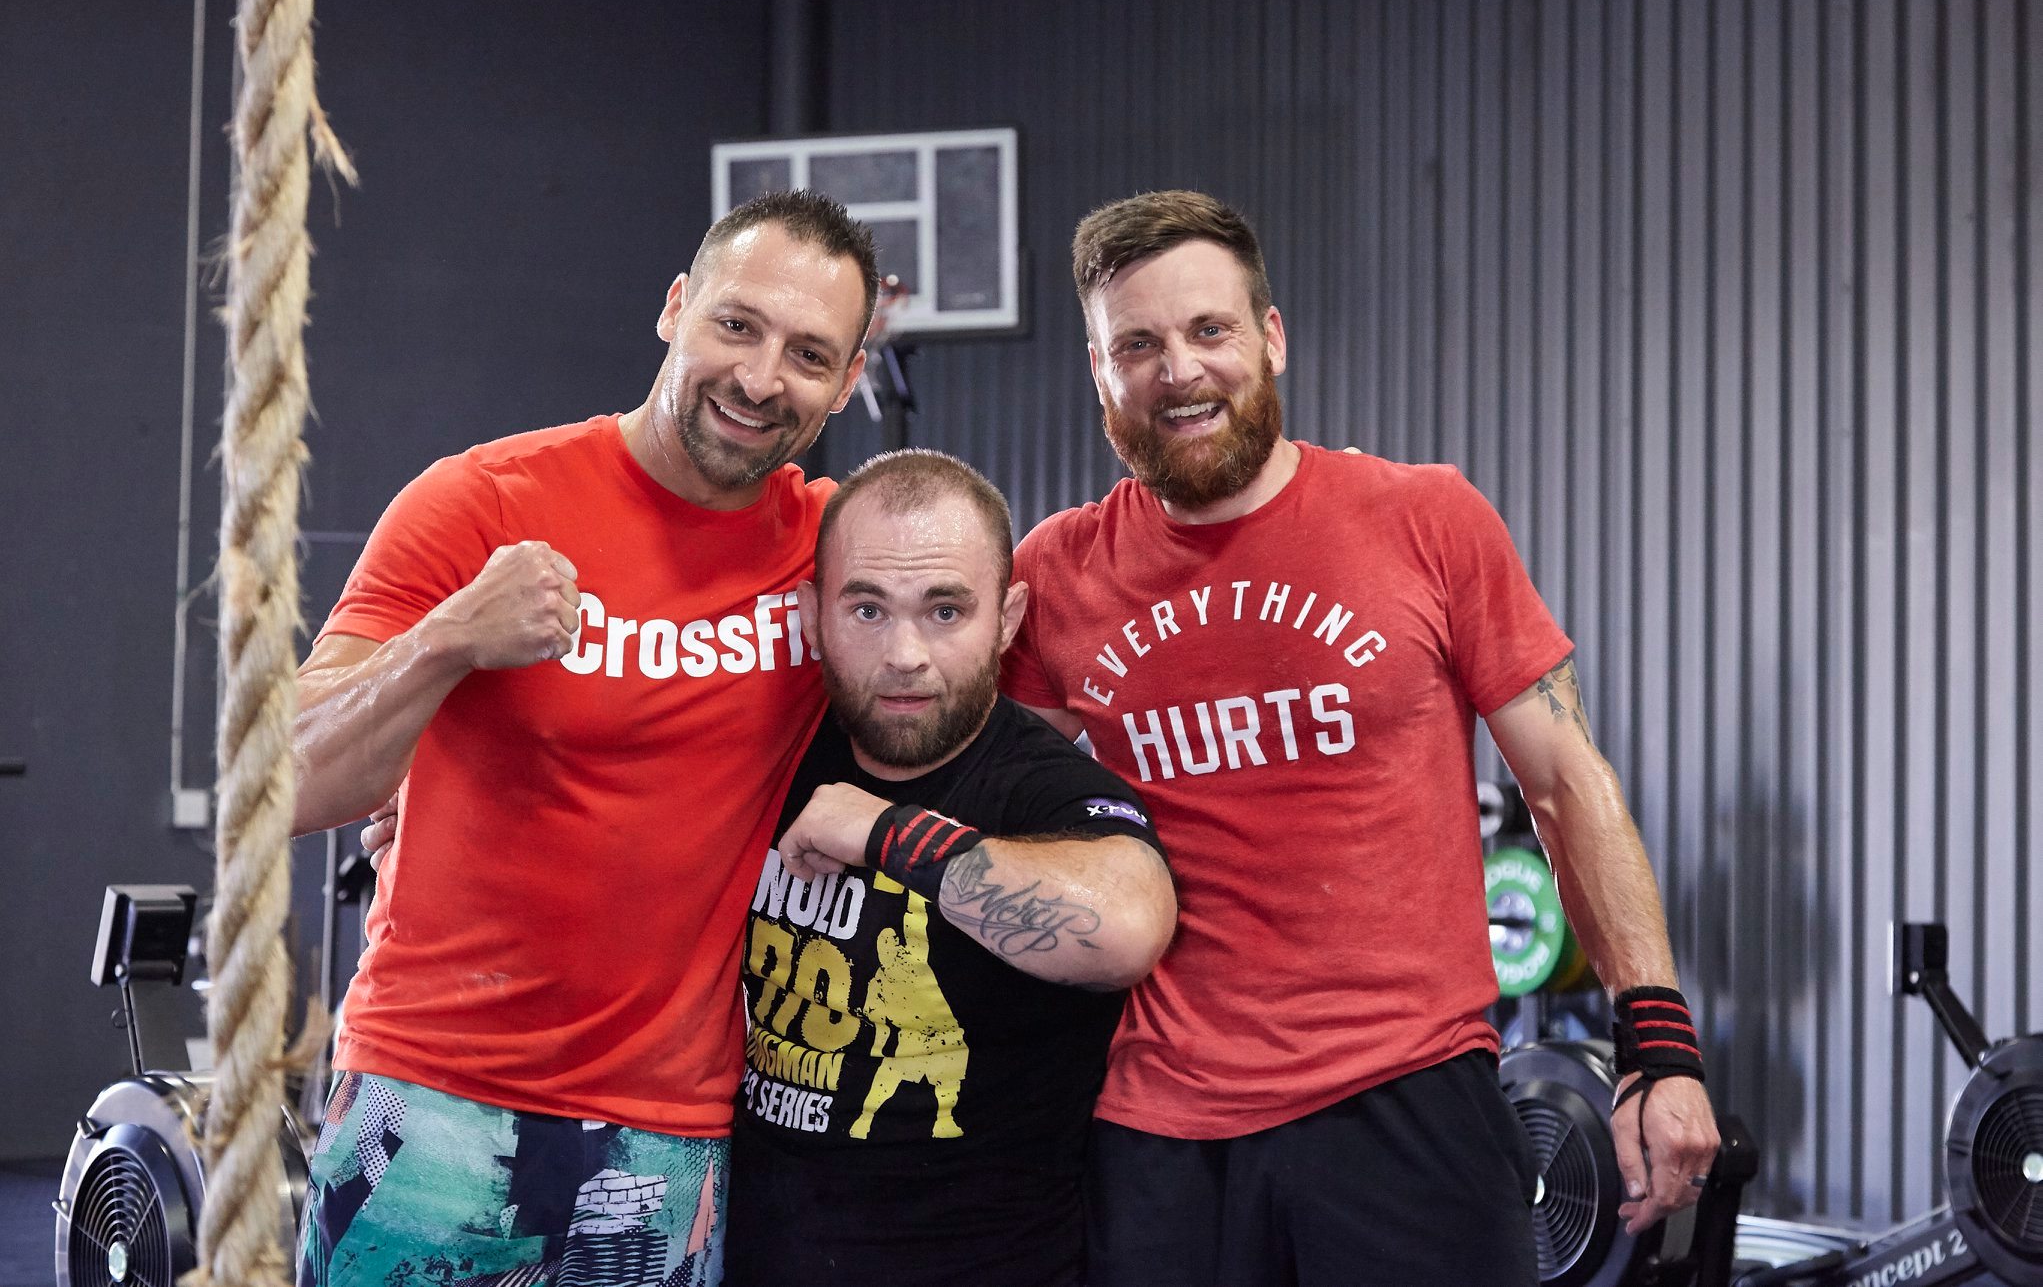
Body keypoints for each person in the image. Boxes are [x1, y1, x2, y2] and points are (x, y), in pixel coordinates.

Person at [998, 190, 1720, 1287]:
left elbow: (1566, 783)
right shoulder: (1055, 574)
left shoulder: (1426, 519)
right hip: (1159, 1127)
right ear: (1099, 372)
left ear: (1271, 337)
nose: (1178, 371)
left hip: (1409, 1097)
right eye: (1135, 345)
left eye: (1208, 330)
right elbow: (997, 813)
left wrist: (1657, 1048)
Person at [289, 189, 878, 1287]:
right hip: (433, 1097)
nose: (760, 378)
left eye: (808, 354)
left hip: (666, 1132)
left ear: (846, 382)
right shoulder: (479, 502)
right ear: (675, 308)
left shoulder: (839, 556)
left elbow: (985, 637)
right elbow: (283, 787)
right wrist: (445, 640)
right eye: (737, 325)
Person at [720, 449, 1177, 1287]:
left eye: (944, 611)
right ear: (813, 615)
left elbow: (1125, 928)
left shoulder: (1042, 787)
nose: (905, 654)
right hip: (755, 1254)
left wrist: (886, 832)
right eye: (867, 609)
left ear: (1005, 619)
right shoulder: (765, 754)